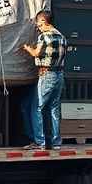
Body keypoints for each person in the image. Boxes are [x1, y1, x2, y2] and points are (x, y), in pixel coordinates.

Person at [21, 11, 67, 150]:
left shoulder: (44, 36)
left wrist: (27, 48)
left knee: (37, 107)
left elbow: (36, 53)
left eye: (38, 22)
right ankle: (56, 142)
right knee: (54, 108)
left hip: (47, 74)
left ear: (43, 21)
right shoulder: (62, 36)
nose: (37, 26)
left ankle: (39, 142)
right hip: (60, 75)